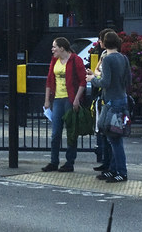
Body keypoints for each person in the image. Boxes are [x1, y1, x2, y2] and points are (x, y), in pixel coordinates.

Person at [41, 36, 87, 173]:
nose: (52, 49)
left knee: (71, 131)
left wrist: (77, 99)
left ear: (62, 48)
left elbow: (82, 82)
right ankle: (53, 161)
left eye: (54, 46)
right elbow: (49, 80)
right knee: (56, 133)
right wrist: (47, 100)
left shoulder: (75, 60)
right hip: (58, 99)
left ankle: (69, 162)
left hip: (70, 98)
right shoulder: (54, 60)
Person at [94, 31, 132, 183]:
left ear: (104, 42)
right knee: (114, 137)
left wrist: (92, 79)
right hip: (122, 99)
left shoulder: (108, 60)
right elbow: (128, 80)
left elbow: (105, 82)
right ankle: (113, 170)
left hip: (111, 102)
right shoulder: (124, 58)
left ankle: (121, 172)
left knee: (114, 140)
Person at [91, 28, 116, 174]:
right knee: (102, 131)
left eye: (101, 39)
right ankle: (106, 163)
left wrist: (94, 77)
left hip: (109, 98)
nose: (99, 42)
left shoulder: (110, 57)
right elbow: (97, 69)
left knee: (108, 133)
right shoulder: (104, 55)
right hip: (103, 97)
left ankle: (111, 166)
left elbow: (103, 77)